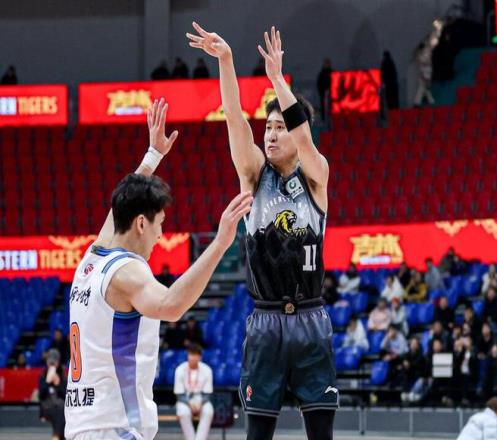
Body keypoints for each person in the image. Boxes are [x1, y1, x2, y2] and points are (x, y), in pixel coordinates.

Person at [64, 98, 252, 440]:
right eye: (159, 224)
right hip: (114, 427)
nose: (160, 235)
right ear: (141, 223)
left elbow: (122, 201)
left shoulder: (93, 257)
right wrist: (221, 243)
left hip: (84, 423)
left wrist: (153, 156)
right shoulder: (127, 273)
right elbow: (171, 306)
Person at [187, 23, 337, 440]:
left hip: (310, 318)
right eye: (268, 127)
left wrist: (276, 79)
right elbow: (235, 121)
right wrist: (226, 61)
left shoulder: (316, 176)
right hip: (266, 321)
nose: (271, 134)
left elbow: (304, 135)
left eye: (279, 127)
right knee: (257, 435)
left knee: (321, 434)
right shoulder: (254, 175)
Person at [174, 344, 214, 440]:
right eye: (190, 354)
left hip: (201, 399)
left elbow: (207, 393)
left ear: (200, 357)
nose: (192, 357)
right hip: (185, 399)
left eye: (195, 355)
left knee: (208, 411)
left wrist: (200, 404)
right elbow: (179, 394)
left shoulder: (207, 370)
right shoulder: (180, 369)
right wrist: (190, 404)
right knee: (183, 412)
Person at [40, 349, 66, 440]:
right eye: (50, 363)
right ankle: (56, 436)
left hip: (60, 406)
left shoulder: (62, 375)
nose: (52, 365)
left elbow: (65, 396)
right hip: (47, 407)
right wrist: (47, 382)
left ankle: (56, 436)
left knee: (61, 410)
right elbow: (41, 396)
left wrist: (58, 384)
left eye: (54, 363)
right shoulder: (43, 375)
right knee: (60, 411)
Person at [413, 42, 435, 106]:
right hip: (424, 72)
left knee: (422, 87)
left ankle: (417, 102)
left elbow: (425, 62)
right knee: (424, 88)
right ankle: (430, 101)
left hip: (426, 72)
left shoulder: (425, 53)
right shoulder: (423, 53)